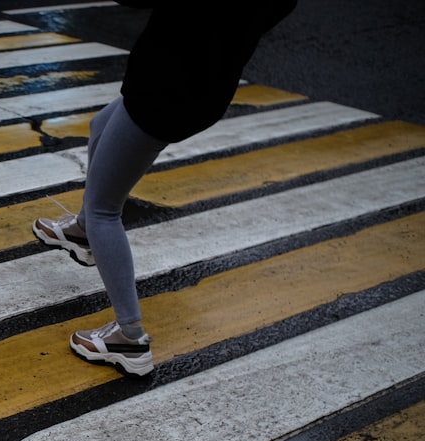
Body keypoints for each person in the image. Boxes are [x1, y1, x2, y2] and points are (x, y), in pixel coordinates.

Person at [33, 0, 297, 376]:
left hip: (163, 88)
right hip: (202, 88)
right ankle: (82, 229)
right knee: (100, 126)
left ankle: (129, 338)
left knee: (106, 212)